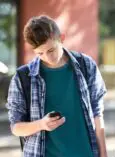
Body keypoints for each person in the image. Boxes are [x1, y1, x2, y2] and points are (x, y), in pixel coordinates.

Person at [6, 15, 108, 157]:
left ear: (61, 38)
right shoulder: (23, 77)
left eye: (51, 50)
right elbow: (16, 127)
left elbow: (97, 113)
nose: (48, 57)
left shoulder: (86, 65)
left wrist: (103, 154)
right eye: (40, 53)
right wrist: (41, 124)